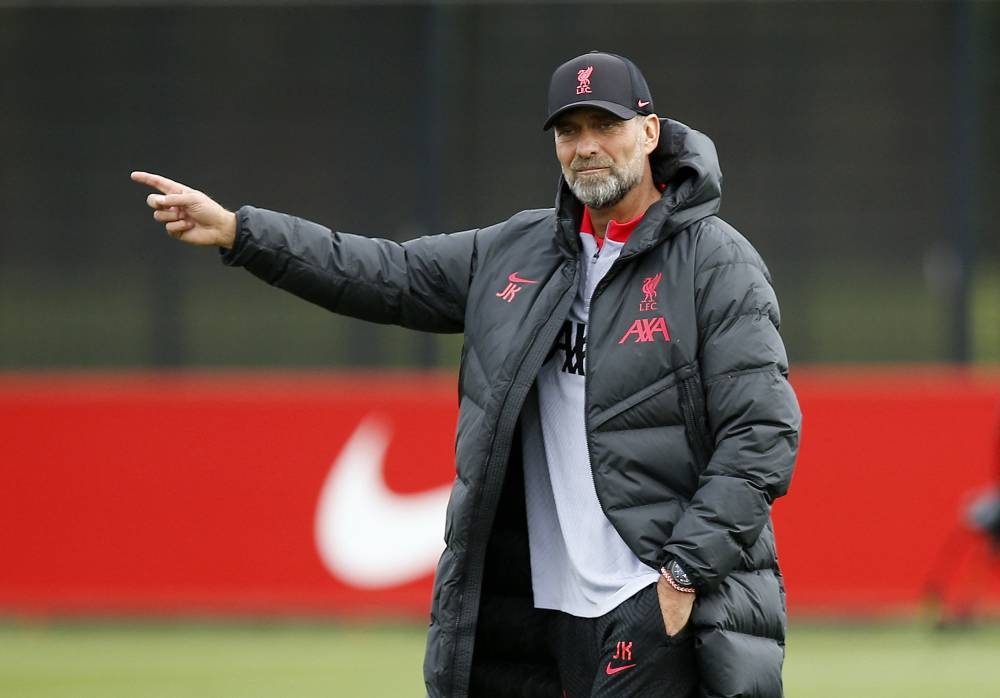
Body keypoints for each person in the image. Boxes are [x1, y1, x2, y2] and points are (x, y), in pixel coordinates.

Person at [133, 50, 800, 698]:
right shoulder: (518, 251)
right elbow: (377, 271)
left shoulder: (716, 263)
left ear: (650, 132)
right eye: (569, 131)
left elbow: (762, 434)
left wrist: (683, 571)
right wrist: (239, 233)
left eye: (606, 126)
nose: (586, 146)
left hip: (650, 598)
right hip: (544, 607)